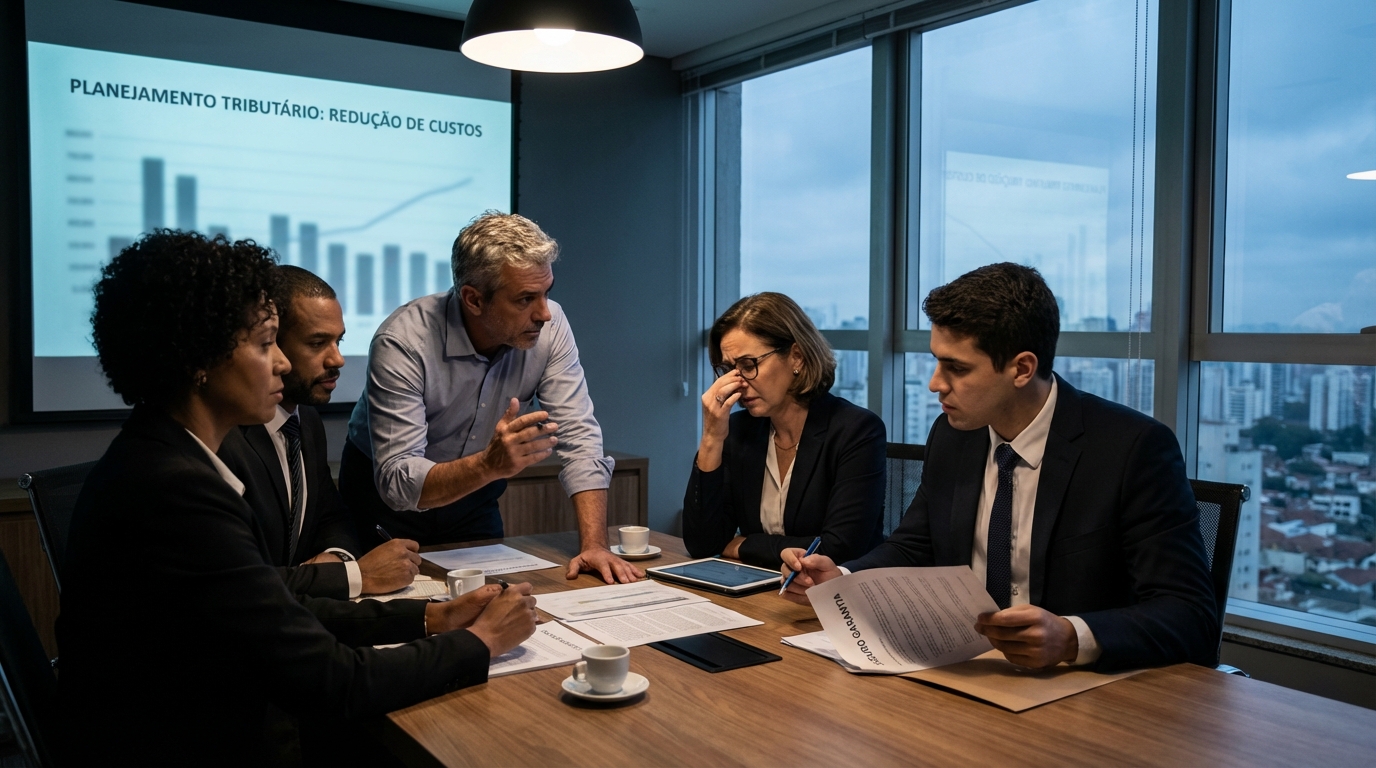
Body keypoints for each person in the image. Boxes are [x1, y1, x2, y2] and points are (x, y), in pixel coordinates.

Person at [58, 231, 538, 766]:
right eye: (266, 344)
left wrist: (430, 619)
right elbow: (332, 679)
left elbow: (277, 610)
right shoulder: (176, 493)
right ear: (200, 357)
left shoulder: (162, 458)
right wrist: (480, 642)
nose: (283, 364)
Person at [780, 263, 1218, 673]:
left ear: (1022, 369)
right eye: (936, 361)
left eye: (956, 368)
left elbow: (1190, 614)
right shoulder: (954, 434)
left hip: (1076, 685)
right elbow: (915, 546)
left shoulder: (1130, 448)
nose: (935, 383)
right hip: (968, 669)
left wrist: (1071, 636)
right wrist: (843, 578)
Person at [340, 212, 640, 584]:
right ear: (474, 299)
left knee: (492, 601)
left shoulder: (550, 326)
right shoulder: (404, 341)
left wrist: (595, 545)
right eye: (525, 299)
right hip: (383, 502)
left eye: (546, 293)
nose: (544, 314)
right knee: (391, 606)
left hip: (475, 495)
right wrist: (488, 465)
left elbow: (579, 435)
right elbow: (398, 482)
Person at [219, 266, 419, 600]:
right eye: (317, 343)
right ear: (272, 343)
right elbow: (240, 585)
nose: (337, 359)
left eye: (339, 342)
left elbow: (332, 518)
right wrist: (350, 576)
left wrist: (337, 558)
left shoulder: (307, 420)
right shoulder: (223, 439)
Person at [683, 293, 885, 569]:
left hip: (832, 591)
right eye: (729, 369)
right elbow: (702, 543)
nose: (737, 383)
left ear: (796, 357)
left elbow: (838, 548)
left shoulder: (856, 430)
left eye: (748, 365)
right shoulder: (740, 430)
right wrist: (711, 438)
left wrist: (744, 544)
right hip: (759, 586)